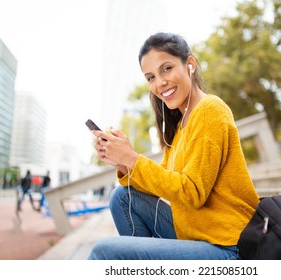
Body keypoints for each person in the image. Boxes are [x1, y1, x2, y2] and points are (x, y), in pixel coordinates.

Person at [88, 32, 260, 260]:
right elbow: (163, 182)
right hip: (195, 236)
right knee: (122, 197)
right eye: (150, 77)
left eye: (166, 69)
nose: (160, 83)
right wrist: (123, 162)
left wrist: (132, 159)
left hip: (228, 245)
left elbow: (192, 193)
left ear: (190, 64)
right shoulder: (178, 126)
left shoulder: (211, 110)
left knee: (104, 252)